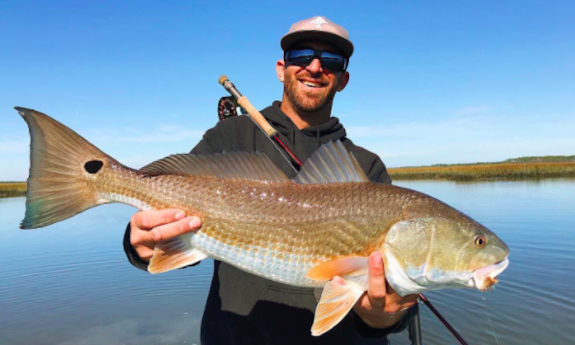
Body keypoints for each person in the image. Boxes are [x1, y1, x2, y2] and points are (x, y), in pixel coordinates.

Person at [123, 16, 418, 345]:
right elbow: (171, 228)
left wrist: (383, 316)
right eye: (301, 55)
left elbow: (385, 312)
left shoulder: (366, 168)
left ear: (343, 79)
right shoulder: (232, 136)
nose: (315, 67)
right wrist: (142, 245)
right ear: (282, 68)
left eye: (331, 60)